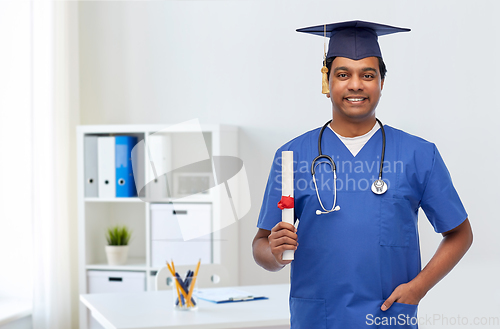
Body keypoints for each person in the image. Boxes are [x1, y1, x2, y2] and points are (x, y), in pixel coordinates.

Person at [252, 21, 473, 329]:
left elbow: (460, 233)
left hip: (388, 317)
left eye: (367, 75)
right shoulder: (292, 156)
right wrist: (274, 253)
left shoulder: (418, 154)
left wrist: (418, 288)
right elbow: (261, 245)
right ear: (327, 82)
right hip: (319, 317)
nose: (355, 84)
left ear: (382, 82)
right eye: (343, 74)